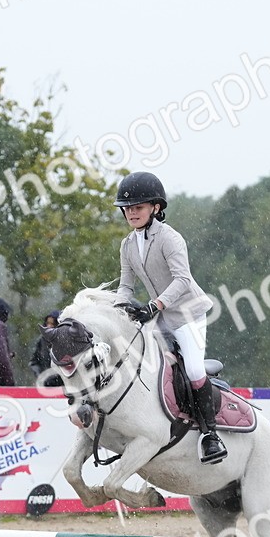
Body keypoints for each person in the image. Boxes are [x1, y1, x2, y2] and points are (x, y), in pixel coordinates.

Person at [112, 171, 224, 464]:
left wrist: (154, 304)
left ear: (155, 208)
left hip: (188, 314)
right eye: (127, 208)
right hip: (158, 316)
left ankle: (211, 435)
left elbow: (182, 279)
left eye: (137, 207)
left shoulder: (170, 238)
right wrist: (120, 309)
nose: (131, 213)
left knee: (195, 371)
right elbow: (126, 285)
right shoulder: (127, 245)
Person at [29, 310, 61, 379]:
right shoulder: (41, 341)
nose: (49, 326)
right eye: (47, 323)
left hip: (63, 385)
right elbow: (34, 363)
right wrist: (40, 376)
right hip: (46, 385)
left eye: (52, 324)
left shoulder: (64, 341)